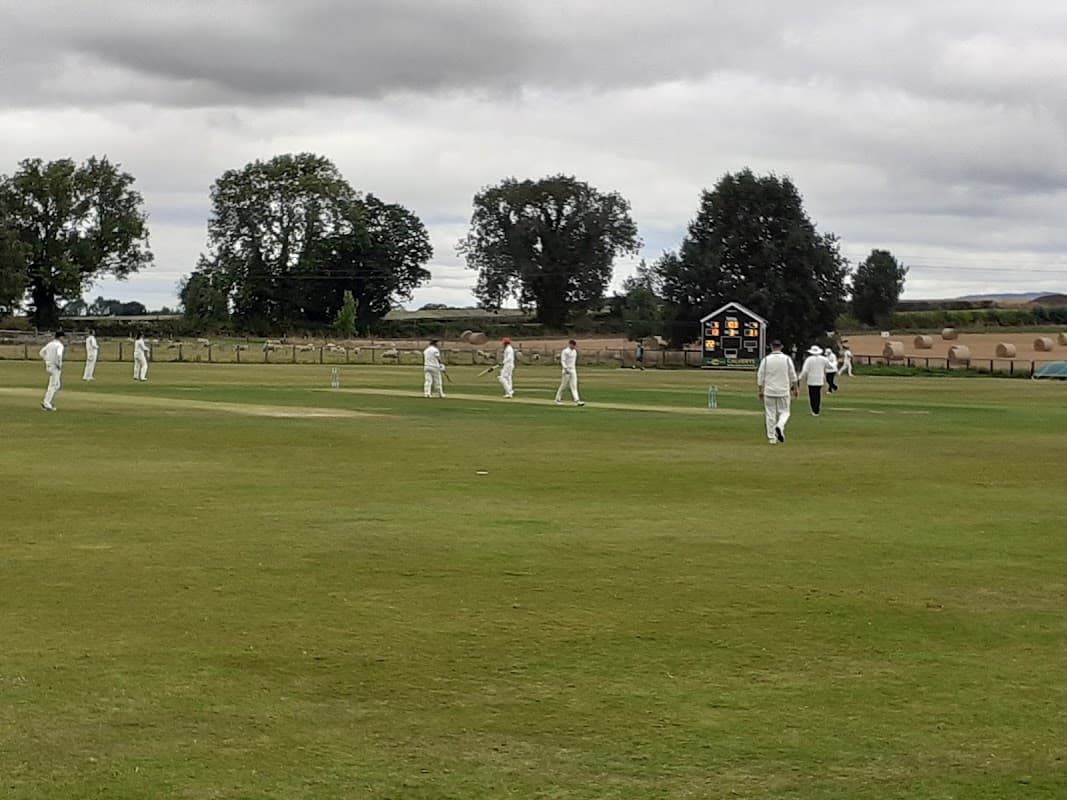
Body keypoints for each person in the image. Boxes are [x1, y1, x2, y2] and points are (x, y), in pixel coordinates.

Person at [757, 340, 798, 444]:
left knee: (770, 414)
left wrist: (760, 390)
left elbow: (760, 376)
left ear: (771, 347)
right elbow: (793, 375)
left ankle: (772, 438)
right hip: (783, 390)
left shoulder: (766, 360)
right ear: (781, 347)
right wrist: (796, 389)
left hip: (769, 390)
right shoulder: (787, 359)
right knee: (785, 412)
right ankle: (779, 426)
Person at [797, 345, 828, 416]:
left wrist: (799, 378)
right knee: (818, 395)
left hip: (811, 380)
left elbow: (805, 370)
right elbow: (829, 366)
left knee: (812, 395)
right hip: (820, 379)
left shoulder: (809, 359)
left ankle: (814, 410)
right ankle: (817, 410)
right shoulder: (823, 359)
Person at [39, 330, 65, 411]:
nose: (64, 339)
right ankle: (46, 403)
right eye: (63, 337)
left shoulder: (50, 344)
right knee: (53, 386)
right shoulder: (59, 345)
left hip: (49, 366)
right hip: (55, 367)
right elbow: (59, 355)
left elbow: (41, 353)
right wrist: (59, 364)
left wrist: (47, 360)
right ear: (60, 337)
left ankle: (47, 401)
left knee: (57, 385)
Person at [554, 339, 585, 406]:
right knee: (563, 385)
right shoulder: (565, 351)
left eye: (574, 345)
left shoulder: (574, 351)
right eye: (573, 345)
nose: (574, 347)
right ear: (570, 344)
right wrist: (565, 368)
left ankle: (577, 400)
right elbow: (563, 361)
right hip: (566, 370)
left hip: (573, 370)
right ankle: (557, 399)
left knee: (574, 385)